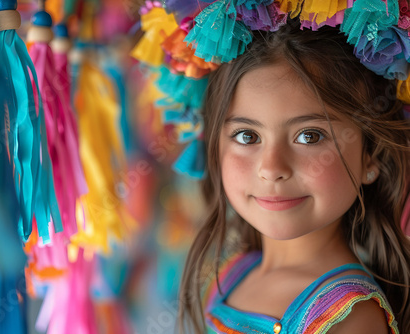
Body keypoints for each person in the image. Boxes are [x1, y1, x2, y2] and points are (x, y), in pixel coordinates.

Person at [176, 14, 410, 334]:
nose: (272, 169)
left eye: (309, 136)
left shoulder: (348, 316)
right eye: (247, 136)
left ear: (371, 156)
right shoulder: (230, 274)